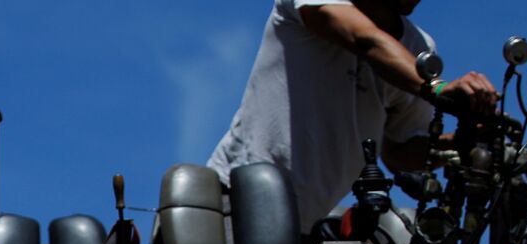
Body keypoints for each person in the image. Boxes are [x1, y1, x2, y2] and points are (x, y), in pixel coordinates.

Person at [208, 0, 498, 226]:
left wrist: (462, 141)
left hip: (312, 224)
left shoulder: (417, 50)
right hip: (237, 199)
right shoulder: (317, 4)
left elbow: (400, 154)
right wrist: (437, 88)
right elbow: (365, 40)